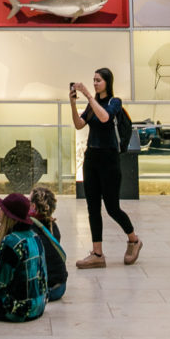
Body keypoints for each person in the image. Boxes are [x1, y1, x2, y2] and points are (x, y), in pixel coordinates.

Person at [69, 67, 142, 269]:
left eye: (98, 80)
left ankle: (134, 240)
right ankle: (97, 253)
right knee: (92, 207)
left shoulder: (114, 102)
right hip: (91, 157)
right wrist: (73, 103)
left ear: (107, 82)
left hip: (109, 159)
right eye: (93, 80)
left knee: (112, 208)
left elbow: (105, 118)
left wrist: (88, 95)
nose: (94, 83)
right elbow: (78, 124)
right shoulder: (92, 105)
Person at [0, 193, 47, 323]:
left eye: (2, 209)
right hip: (38, 305)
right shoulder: (34, 236)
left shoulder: (11, 242)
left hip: (19, 310)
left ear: (9, 216)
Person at [29, 186, 66, 301]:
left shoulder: (31, 229)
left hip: (48, 288)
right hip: (61, 286)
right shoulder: (53, 226)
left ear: (33, 206)